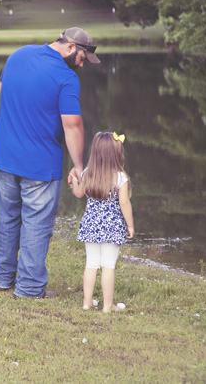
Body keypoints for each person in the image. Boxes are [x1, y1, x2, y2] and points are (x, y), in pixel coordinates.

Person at [0, 27, 100, 298]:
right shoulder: (66, 78)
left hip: (4, 156)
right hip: (39, 165)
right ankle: (28, 288)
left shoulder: (20, 54)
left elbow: (3, 89)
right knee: (36, 224)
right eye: (83, 57)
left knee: (6, 217)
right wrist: (78, 166)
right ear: (71, 48)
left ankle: (2, 279)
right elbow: (72, 125)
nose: (83, 64)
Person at [71, 131, 135, 312]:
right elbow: (124, 202)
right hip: (113, 227)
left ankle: (87, 302)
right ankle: (108, 306)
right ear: (116, 155)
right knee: (109, 265)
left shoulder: (88, 173)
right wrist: (130, 225)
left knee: (91, 263)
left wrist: (75, 180)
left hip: (91, 224)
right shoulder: (120, 177)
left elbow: (78, 193)